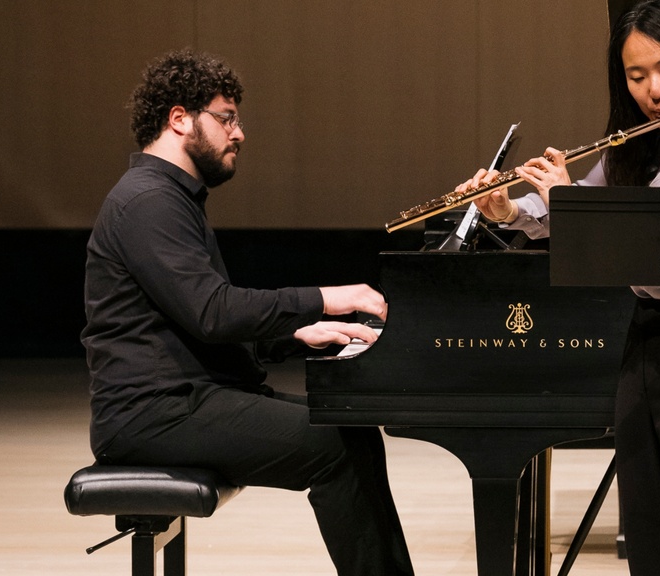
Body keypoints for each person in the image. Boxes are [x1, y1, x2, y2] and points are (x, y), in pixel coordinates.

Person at [458, 1, 660, 575]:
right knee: (647, 526)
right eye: (636, 77)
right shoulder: (639, 147)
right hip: (649, 342)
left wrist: (571, 205)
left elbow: (657, 251)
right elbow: (574, 206)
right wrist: (508, 209)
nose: (653, 91)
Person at [81, 49, 413, 576]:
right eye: (227, 118)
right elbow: (212, 312)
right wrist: (325, 297)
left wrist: (297, 333)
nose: (239, 133)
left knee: (351, 430)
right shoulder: (148, 201)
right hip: (151, 413)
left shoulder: (168, 197)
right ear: (179, 118)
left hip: (183, 399)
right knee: (335, 444)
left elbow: (194, 318)